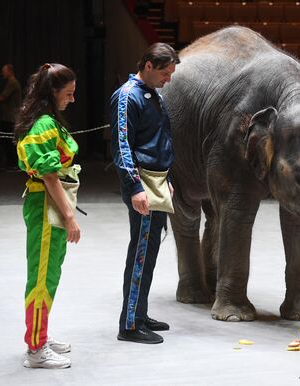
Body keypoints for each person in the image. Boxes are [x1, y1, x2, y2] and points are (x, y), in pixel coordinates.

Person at [110, 43, 179, 344]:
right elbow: (122, 147)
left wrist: (167, 180)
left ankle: (139, 313)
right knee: (140, 253)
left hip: (158, 181)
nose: (169, 78)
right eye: (165, 72)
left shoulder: (153, 95)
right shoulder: (126, 96)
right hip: (143, 183)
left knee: (149, 252)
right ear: (148, 65)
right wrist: (136, 187)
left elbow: (158, 140)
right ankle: (129, 325)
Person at [15, 63, 80, 368]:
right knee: (41, 277)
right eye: (68, 92)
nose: (72, 98)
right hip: (46, 206)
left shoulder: (47, 121)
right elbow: (50, 176)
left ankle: (39, 334)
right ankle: (36, 348)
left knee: (49, 274)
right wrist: (69, 216)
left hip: (48, 204)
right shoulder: (43, 125)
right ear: (53, 92)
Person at [0, 63, 22, 169]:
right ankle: (11, 163)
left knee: (9, 140)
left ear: (9, 71)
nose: (2, 73)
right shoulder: (10, 82)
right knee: (6, 140)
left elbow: (2, 97)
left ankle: (14, 164)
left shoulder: (12, 83)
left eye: (4, 71)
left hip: (11, 117)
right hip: (8, 116)